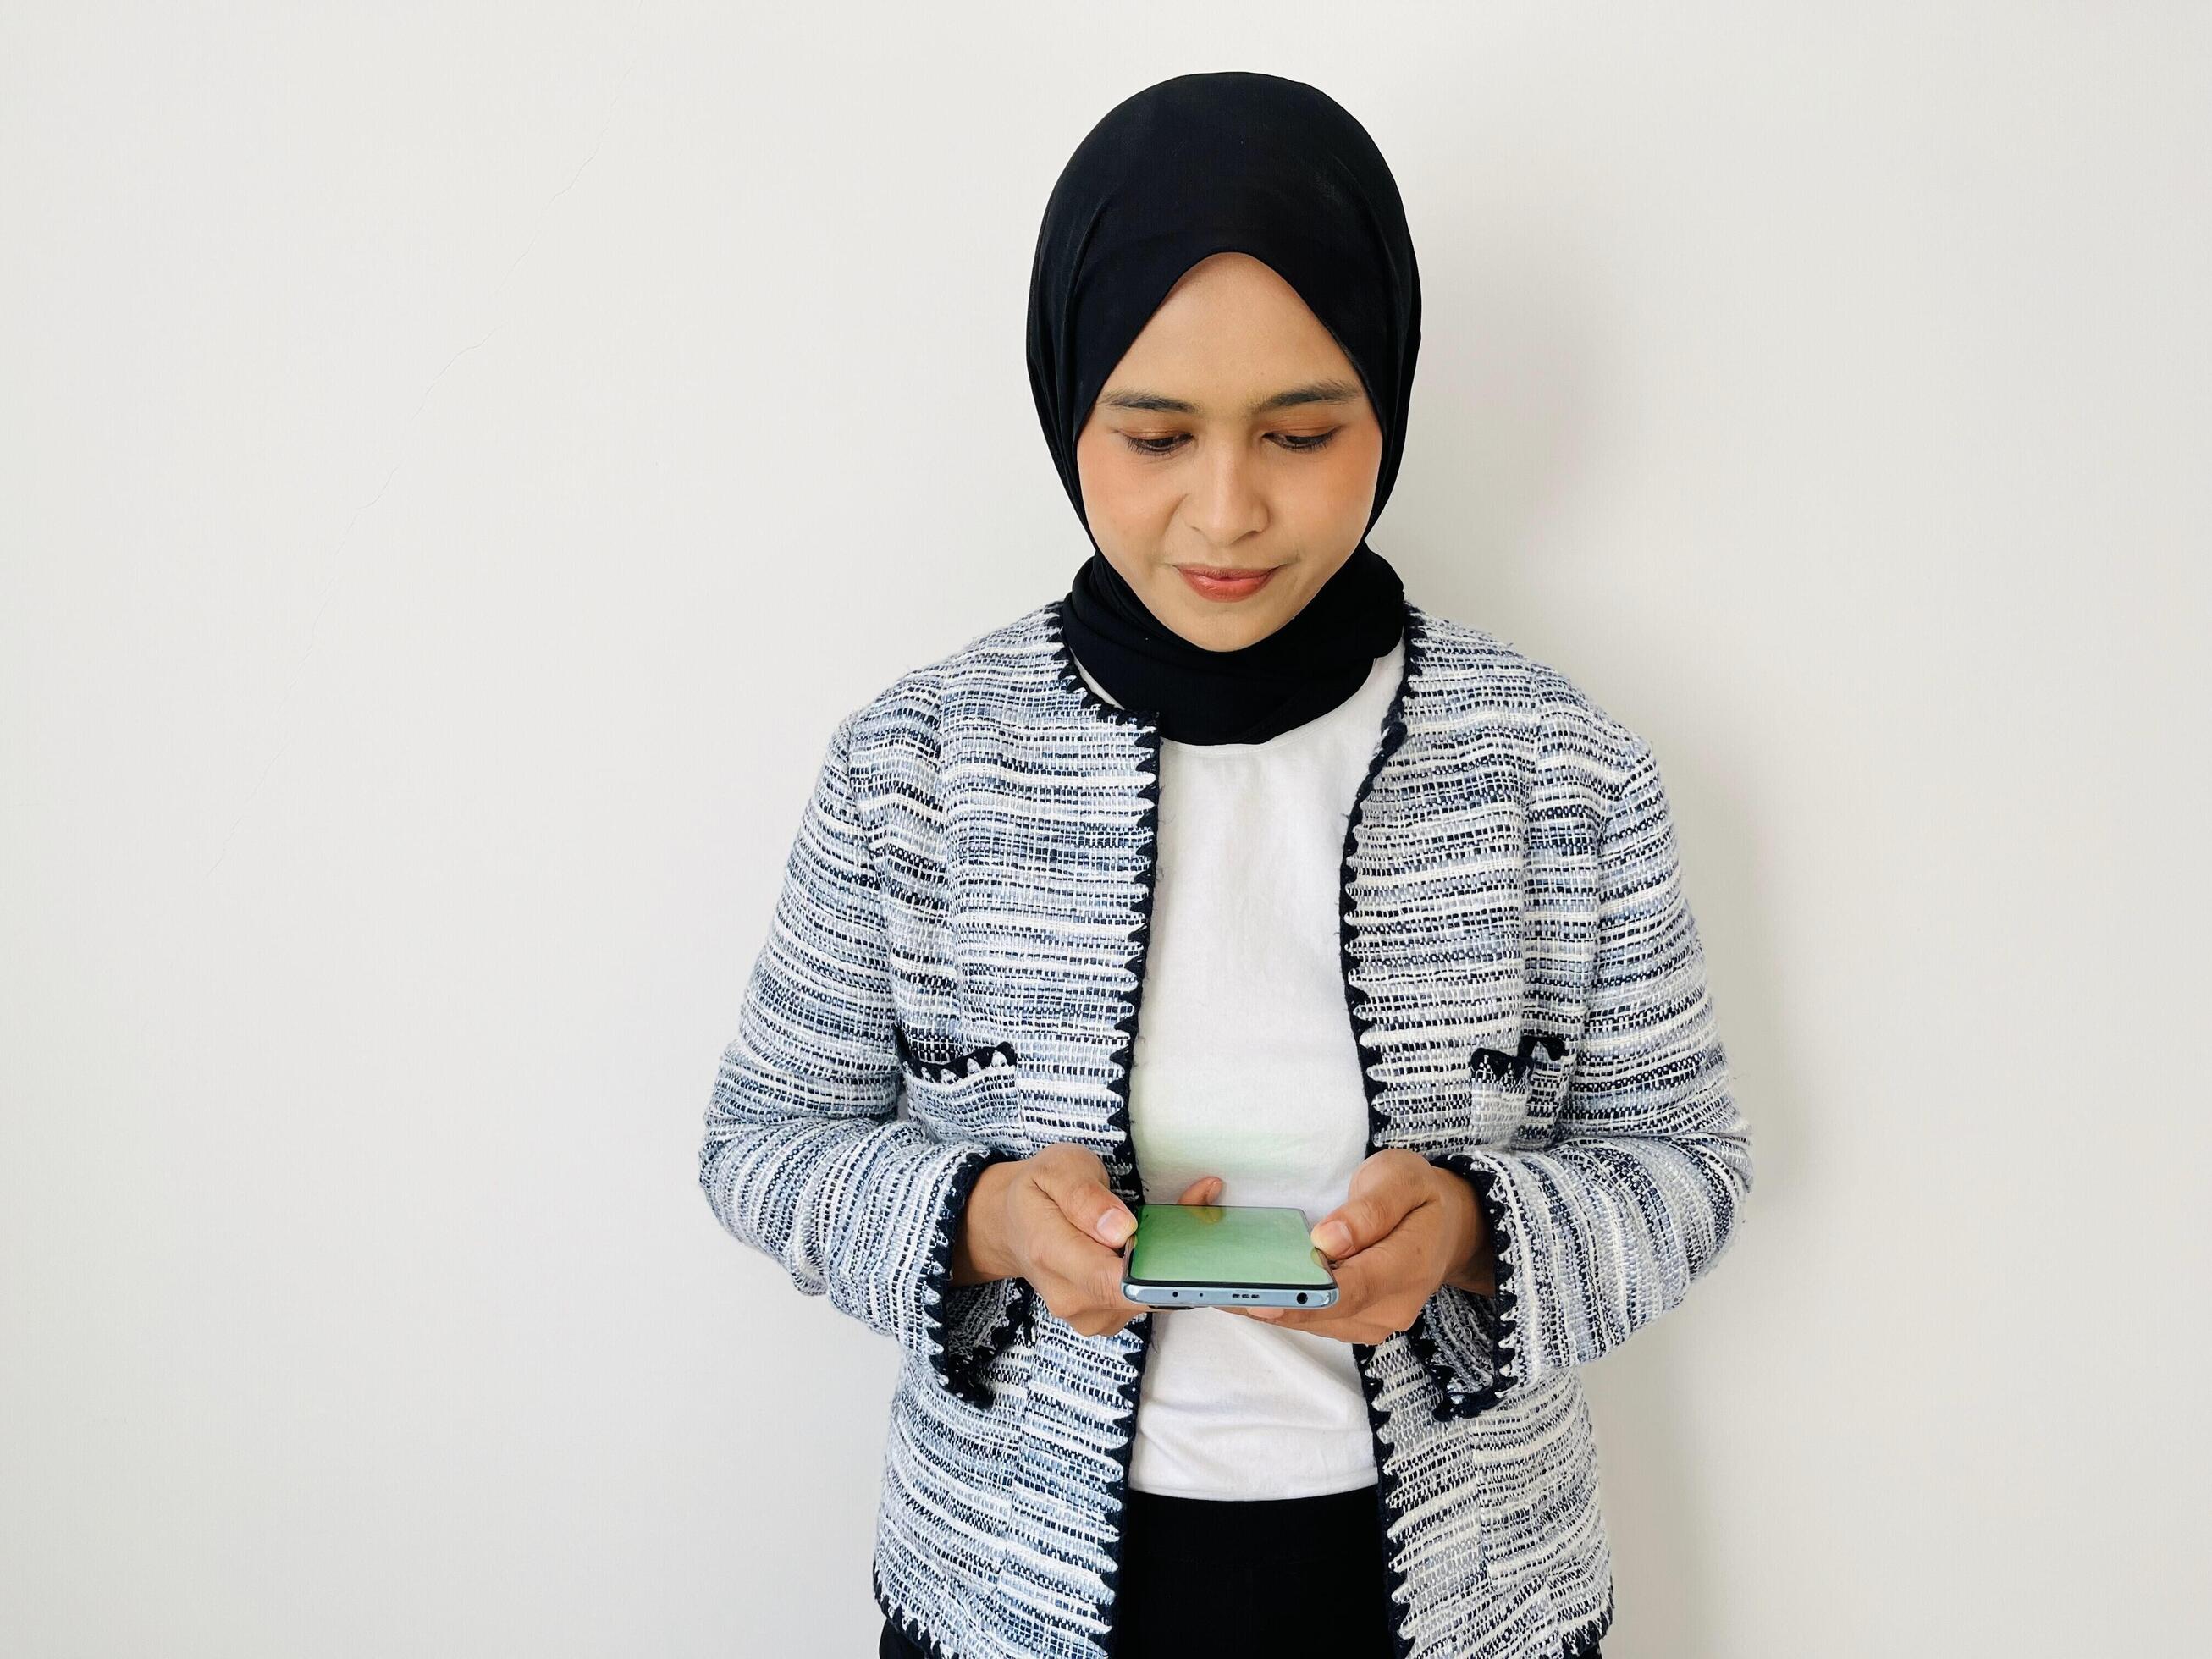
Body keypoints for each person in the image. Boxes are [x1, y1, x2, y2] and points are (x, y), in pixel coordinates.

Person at [698, 71, 1752, 1659]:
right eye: (1154, 433)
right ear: (1069, 411)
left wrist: (1472, 1232)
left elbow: (1685, 1164)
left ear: (1385, 406)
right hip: (1011, 1595)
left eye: (1302, 430)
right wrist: (982, 1218)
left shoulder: (1560, 771)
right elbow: (762, 1143)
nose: (1227, 507)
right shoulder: (915, 768)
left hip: (1471, 1601)